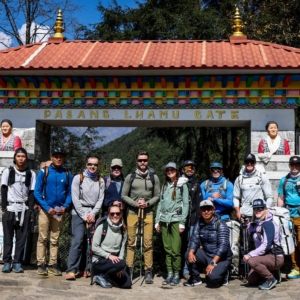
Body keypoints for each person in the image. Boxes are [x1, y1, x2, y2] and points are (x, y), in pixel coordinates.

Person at [121, 150, 160, 284]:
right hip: (132, 212)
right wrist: (135, 203)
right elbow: (124, 195)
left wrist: (147, 203)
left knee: (148, 243)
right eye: (140, 160)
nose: (142, 162)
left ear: (148, 161)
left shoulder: (154, 177)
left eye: (145, 160)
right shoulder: (130, 177)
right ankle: (129, 269)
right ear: (136, 161)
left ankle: (148, 271)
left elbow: (157, 196)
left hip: (148, 213)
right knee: (131, 242)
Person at [34, 147, 73, 276]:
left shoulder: (67, 174)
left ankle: (52, 264)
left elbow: (70, 193)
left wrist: (65, 206)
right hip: (46, 210)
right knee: (43, 238)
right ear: (51, 158)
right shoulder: (43, 172)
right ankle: (41, 263)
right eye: (56, 156)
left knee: (55, 239)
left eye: (61, 156)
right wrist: (46, 207)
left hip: (59, 211)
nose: (58, 158)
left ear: (64, 158)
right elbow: (37, 192)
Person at [65, 157, 105, 280]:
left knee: (92, 241)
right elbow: (75, 198)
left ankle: (86, 268)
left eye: (95, 165)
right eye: (90, 164)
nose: (92, 167)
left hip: (93, 213)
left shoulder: (100, 181)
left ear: (98, 166)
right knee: (78, 240)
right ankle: (72, 269)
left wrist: (93, 214)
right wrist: (83, 215)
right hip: (78, 212)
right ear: (86, 165)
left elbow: (100, 199)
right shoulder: (78, 178)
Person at [1, 148, 36, 273]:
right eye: (18, 156)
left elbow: (32, 192)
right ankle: (6, 261)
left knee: (22, 238)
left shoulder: (31, 173)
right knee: (8, 237)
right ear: (15, 158)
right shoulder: (8, 171)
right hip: (10, 208)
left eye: (23, 156)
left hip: (24, 209)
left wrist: (30, 209)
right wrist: (3, 208)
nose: (21, 158)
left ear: (26, 158)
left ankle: (17, 262)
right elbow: (3, 190)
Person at [184, 200, 232, 287]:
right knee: (188, 253)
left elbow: (223, 247)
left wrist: (213, 263)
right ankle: (195, 278)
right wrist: (191, 252)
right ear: (200, 211)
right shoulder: (198, 223)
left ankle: (225, 273)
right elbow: (194, 240)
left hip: (222, 258)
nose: (206, 211)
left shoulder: (221, 224)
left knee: (212, 278)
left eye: (209, 209)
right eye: (203, 209)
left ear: (213, 210)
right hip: (207, 254)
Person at [155, 162, 189, 286]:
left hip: (175, 219)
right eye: (168, 170)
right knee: (167, 249)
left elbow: (186, 204)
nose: (170, 172)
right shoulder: (164, 186)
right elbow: (160, 203)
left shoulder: (182, 185)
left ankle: (176, 274)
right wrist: (157, 221)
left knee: (176, 249)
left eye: (172, 170)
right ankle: (169, 273)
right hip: (164, 220)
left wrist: (182, 223)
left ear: (176, 171)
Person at [243, 199, 284, 290]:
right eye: (255, 209)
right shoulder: (256, 223)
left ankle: (271, 279)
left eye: (260, 209)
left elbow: (266, 245)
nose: (257, 211)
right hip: (263, 256)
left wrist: (250, 255)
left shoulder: (268, 224)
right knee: (251, 280)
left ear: (265, 209)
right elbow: (251, 233)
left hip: (274, 256)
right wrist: (247, 223)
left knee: (252, 261)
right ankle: (273, 272)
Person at [92, 205, 131, 289]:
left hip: (114, 263)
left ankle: (107, 276)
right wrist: (109, 255)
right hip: (99, 260)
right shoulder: (102, 227)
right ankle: (101, 275)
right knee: (122, 262)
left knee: (127, 284)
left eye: (117, 213)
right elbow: (94, 247)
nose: (115, 216)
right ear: (109, 215)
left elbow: (122, 249)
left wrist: (119, 268)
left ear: (120, 215)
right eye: (112, 214)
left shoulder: (123, 229)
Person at [277, 155, 300, 279]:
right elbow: (281, 197)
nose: (295, 167)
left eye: (297, 165)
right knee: (290, 242)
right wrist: (280, 213)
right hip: (288, 214)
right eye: (293, 165)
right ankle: (295, 268)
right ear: (289, 166)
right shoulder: (284, 180)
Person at [233, 154, 273, 221]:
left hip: (259, 214)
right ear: (244, 163)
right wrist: (238, 213)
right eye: (247, 162)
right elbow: (235, 197)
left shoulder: (262, 177)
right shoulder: (239, 179)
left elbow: (269, 196)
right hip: (245, 215)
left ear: (255, 163)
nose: (249, 164)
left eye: (251, 162)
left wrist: (266, 210)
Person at [181, 159, 202, 280]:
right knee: (179, 246)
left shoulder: (196, 185)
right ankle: (175, 270)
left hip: (192, 220)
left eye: (192, 168)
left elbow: (199, 204)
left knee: (189, 246)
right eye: (187, 167)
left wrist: (198, 221)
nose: (190, 170)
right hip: (179, 220)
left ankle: (186, 270)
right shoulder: (178, 183)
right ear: (183, 169)